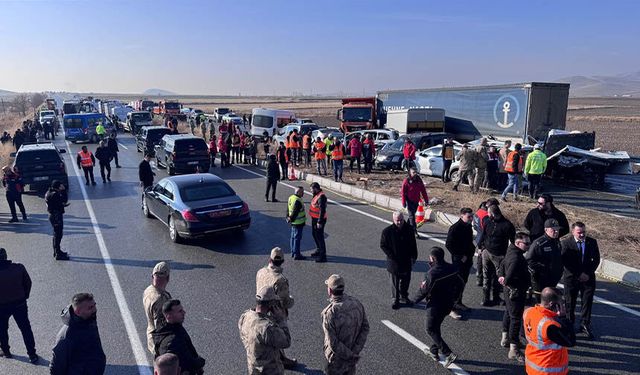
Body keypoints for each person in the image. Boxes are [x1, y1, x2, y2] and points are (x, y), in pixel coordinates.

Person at [412, 247, 464, 368]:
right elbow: (461, 283)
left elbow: (424, 290)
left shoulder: (432, 273)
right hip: (448, 304)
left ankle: (448, 353)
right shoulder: (452, 268)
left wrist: (413, 301)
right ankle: (433, 351)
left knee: (430, 329)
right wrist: (456, 298)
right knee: (436, 327)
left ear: (433, 258)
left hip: (435, 305)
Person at [255, 247, 297, 369]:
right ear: (282, 261)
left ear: (270, 259)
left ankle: (281, 358)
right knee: (278, 337)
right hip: (275, 312)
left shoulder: (260, 272)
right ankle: (280, 361)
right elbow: (286, 302)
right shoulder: (280, 280)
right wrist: (291, 299)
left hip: (261, 307)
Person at [321, 274, 369, 375]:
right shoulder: (357, 304)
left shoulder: (329, 313)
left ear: (330, 291)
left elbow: (333, 343)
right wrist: (355, 351)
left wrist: (349, 355)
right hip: (352, 358)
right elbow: (365, 328)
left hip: (336, 360)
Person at [238, 286, 291, 374]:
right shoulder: (268, 328)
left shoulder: (246, 316)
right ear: (271, 304)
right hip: (270, 371)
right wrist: (281, 320)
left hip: (253, 367)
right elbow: (286, 342)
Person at [523, 287, 576, 375]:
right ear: (552, 304)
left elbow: (524, 333)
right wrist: (563, 318)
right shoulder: (549, 325)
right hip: (548, 369)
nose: (563, 306)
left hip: (532, 365)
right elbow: (570, 341)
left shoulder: (528, 312)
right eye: (561, 304)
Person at [561, 222, 600, 339]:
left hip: (588, 278)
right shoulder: (566, 243)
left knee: (587, 302)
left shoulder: (592, 242)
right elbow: (565, 261)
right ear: (573, 232)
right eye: (579, 232)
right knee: (570, 302)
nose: (582, 235)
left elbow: (596, 259)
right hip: (571, 278)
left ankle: (585, 324)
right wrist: (579, 274)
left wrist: (587, 273)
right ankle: (569, 324)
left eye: (584, 232)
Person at [50, 293, 106, 375]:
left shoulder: (89, 320)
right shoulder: (65, 337)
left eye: (94, 305)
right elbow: (56, 368)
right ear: (78, 311)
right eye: (90, 307)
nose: (95, 309)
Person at [498, 232, 532, 362]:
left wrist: (502, 276)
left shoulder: (510, 250)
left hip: (509, 291)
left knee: (508, 312)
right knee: (516, 318)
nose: (529, 246)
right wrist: (506, 280)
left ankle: (505, 337)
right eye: (526, 243)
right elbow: (510, 274)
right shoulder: (517, 258)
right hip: (516, 292)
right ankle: (514, 348)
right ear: (518, 243)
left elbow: (502, 264)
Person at [0, 248, 38, 363]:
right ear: (6, 257)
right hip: (19, 304)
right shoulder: (19, 267)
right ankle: (32, 354)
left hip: (1, 306)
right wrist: (24, 296)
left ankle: (6, 351)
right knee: (25, 329)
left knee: (2, 329)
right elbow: (28, 283)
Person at [152, 300, 205, 375]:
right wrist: (199, 363)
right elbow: (182, 363)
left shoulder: (174, 327)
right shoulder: (171, 342)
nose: (184, 312)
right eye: (180, 311)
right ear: (168, 316)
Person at [477, 205, 515, 306]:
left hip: (499, 256)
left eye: (489, 213)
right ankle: (485, 298)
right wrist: (480, 247)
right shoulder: (487, 221)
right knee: (487, 276)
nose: (487, 215)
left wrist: (510, 254)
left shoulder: (507, 225)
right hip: (487, 253)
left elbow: (513, 241)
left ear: (493, 214)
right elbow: (483, 234)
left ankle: (495, 297)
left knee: (498, 277)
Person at [380, 211, 418, 309]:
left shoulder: (409, 229)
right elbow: (383, 245)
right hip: (394, 262)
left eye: (401, 220)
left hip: (406, 260)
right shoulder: (387, 232)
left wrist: (414, 256)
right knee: (395, 282)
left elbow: (413, 244)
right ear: (393, 220)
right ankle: (395, 299)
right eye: (397, 220)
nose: (399, 222)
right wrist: (391, 256)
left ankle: (404, 296)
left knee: (406, 281)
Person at [445, 208, 475, 319]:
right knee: (456, 283)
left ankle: (458, 302)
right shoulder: (455, 228)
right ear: (462, 216)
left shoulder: (468, 227)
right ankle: (451, 308)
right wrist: (460, 256)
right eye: (469, 217)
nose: (471, 219)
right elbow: (449, 244)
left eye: (472, 216)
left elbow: (469, 243)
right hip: (459, 261)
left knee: (463, 282)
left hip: (467, 260)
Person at [526, 219, 564, 303]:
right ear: (546, 230)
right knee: (541, 303)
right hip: (541, 279)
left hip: (553, 278)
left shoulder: (557, 242)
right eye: (553, 230)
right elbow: (529, 260)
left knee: (550, 302)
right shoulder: (539, 243)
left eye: (557, 229)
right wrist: (541, 269)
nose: (556, 232)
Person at [143, 262, 172, 354]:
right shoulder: (160, 299)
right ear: (167, 278)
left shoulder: (148, 290)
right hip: (159, 341)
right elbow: (161, 326)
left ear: (152, 276)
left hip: (151, 334)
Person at [45, 180, 70, 260]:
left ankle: (57, 251)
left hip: (53, 215)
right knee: (58, 235)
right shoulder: (55, 195)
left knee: (56, 234)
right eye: (60, 186)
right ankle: (58, 253)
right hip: (56, 216)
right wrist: (63, 190)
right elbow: (64, 200)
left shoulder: (49, 192)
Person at [401, 167, 429, 236]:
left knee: (412, 215)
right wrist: (403, 202)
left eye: (416, 172)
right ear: (410, 173)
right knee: (412, 216)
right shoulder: (406, 180)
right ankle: (414, 231)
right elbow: (403, 192)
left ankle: (405, 227)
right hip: (409, 200)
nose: (415, 173)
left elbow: (423, 190)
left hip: (416, 200)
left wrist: (426, 200)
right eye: (413, 172)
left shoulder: (419, 180)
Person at [309, 182, 328, 263]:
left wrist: (319, 222)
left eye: (311, 189)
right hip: (314, 218)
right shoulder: (317, 194)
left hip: (319, 220)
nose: (310, 191)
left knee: (320, 237)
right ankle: (318, 249)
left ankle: (323, 256)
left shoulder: (321, 197)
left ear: (316, 189)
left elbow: (322, 210)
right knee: (314, 234)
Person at [287, 186, 306, 260]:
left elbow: (288, 209)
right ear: (298, 192)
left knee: (292, 237)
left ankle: (293, 252)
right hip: (298, 222)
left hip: (293, 222)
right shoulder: (298, 200)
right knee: (297, 239)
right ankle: (297, 254)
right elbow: (295, 212)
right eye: (302, 192)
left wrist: (288, 218)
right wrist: (291, 218)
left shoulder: (291, 197)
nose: (303, 193)